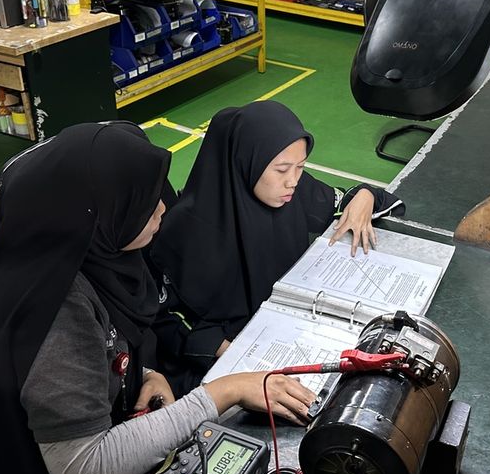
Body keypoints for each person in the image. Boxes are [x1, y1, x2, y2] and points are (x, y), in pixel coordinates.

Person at [0, 122, 313, 474]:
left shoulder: (86, 260)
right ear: (97, 212)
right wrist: (223, 393)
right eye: (143, 202)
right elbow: (82, 470)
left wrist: (138, 374)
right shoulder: (55, 307)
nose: (163, 209)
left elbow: (90, 355)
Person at [149, 101, 404, 395]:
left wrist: (364, 195)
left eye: (301, 167)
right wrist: (223, 349)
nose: (293, 181)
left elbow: (348, 204)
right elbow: (161, 319)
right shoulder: (185, 229)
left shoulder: (294, 193)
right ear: (246, 162)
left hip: (293, 331)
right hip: (231, 361)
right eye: (282, 169)